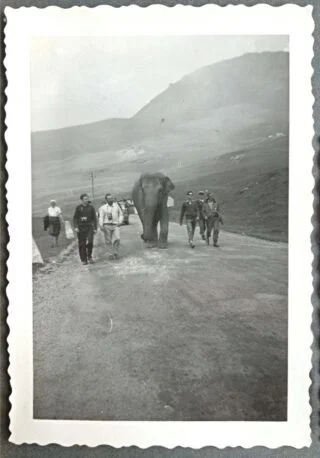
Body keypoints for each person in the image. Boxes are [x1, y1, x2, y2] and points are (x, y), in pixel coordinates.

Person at [73, 193, 97, 265]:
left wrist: (95, 228)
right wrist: (76, 227)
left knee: (90, 242)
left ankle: (89, 256)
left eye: (87, 199)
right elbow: (75, 218)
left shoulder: (91, 208)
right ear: (82, 200)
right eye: (85, 199)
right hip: (81, 227)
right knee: (82, 243)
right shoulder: (78, 208)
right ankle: (84, 259)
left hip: (89, 227)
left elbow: (94, 219)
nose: (86, 200)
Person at [99, 193, 123, 260]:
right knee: (108, 241)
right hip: (107, 225)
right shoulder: (103, 208)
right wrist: (101, 225)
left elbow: (121, 214)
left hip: (115, 225)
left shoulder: (116, 206)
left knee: (117, 238)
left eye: (111, 198)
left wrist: (120, 221)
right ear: (106, 200)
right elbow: (101, 217)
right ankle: (110, 254)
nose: (111, 200)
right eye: (109, 198)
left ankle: (116, 253)